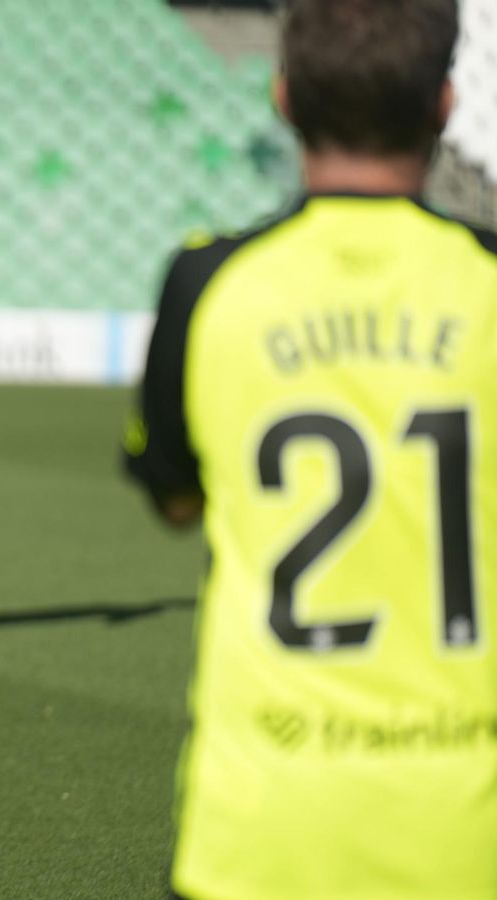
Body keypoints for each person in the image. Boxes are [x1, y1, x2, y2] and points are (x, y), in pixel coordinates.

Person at [124, 2, 497, 896]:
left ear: (283, 98)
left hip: (263, 828)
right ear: (444, 102)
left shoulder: (205, 281)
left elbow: (176, 502)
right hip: (463, 831)